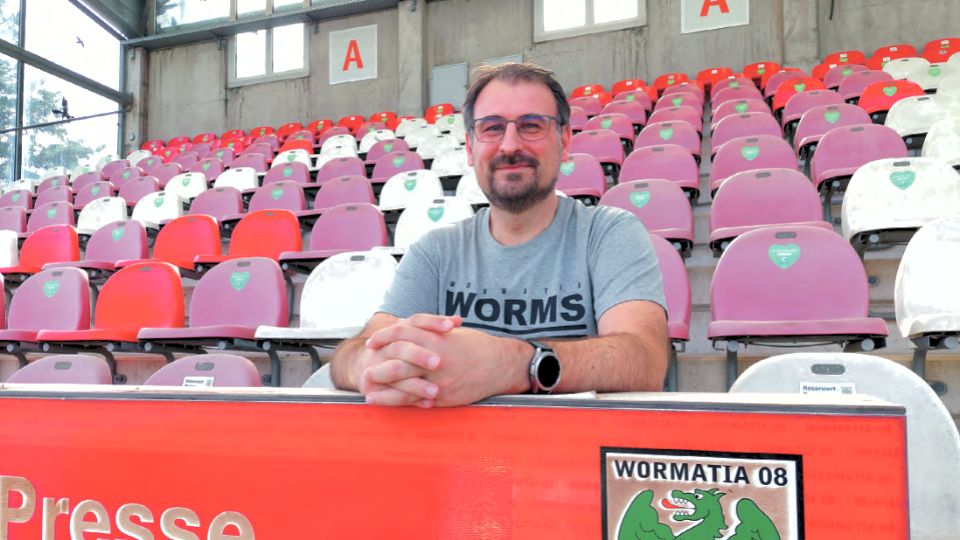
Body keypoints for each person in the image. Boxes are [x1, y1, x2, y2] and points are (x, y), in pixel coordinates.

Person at [330, 62, 668, 407]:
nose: (509, 145)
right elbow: (354, 354)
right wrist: (368, 366)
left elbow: (645, 360)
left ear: (564, 142)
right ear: (471, 148)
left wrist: (511, 364)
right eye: (491, 128)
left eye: (531, 126)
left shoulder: (609, 233)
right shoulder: (435, 251)